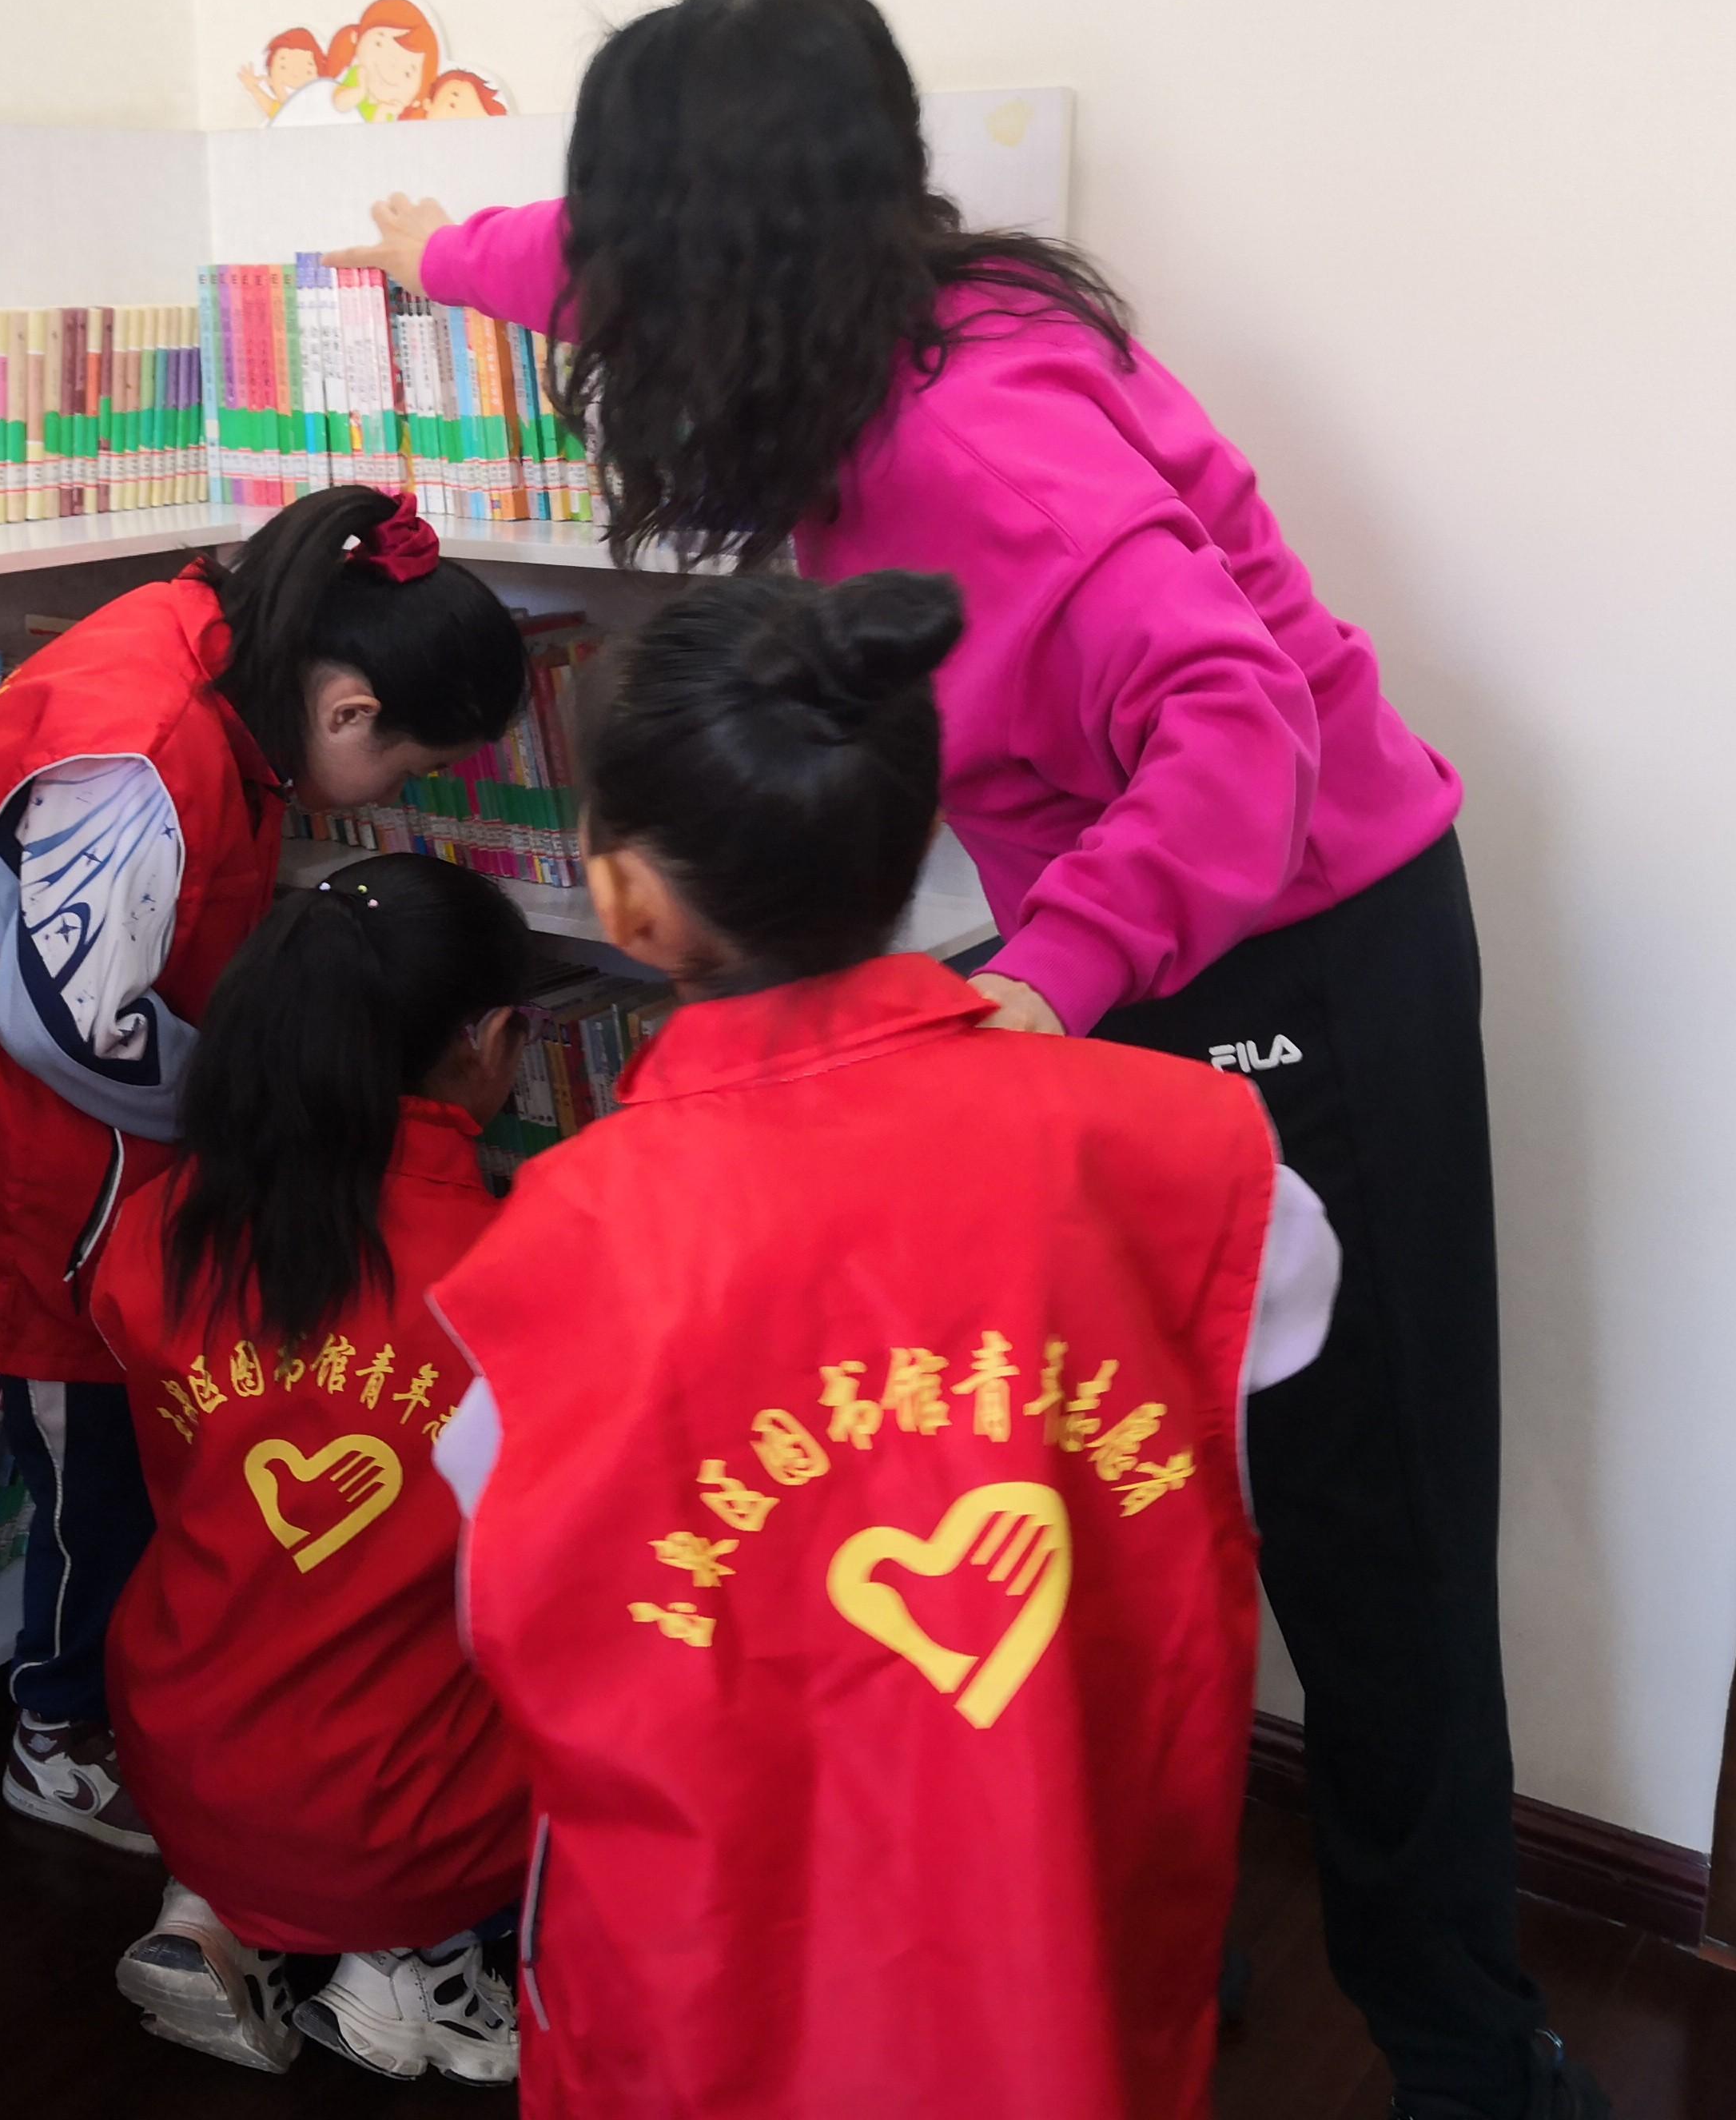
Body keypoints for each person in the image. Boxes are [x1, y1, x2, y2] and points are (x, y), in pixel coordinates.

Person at [332, 0, 1606, 2120]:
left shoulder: (971, 434)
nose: (599, 286)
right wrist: (431, 251)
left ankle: (1474, 2059)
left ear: (726, 257)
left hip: (1302, 939)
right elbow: (577, 254)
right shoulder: (848, 295)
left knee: (1369, 1543)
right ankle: (1129, 1930)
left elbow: (1242, 726)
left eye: (625, 242)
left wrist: (1053, 978)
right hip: (1125, 927)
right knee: (1077, 1478)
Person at [426, 570, 1334, 2119]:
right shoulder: (1210, 1163)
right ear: (922, 841)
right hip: (1067, 1978)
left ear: (626, 903)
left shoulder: (540, 1273)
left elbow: (500, 1612)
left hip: (720, 2011)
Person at [0, 486, 527, 1851]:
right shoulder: (137, 747)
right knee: (96, 1478)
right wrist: (268, 1102)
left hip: (90, 1158)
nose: (398, 799)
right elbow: (66, 1024)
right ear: (349, 709)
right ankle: (58, 1735)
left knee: (117, 1457)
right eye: (411, 769)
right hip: (33, 1180)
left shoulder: (203, 639)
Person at [93, 855, 537, 2083]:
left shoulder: (156, 1232)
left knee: (291, 1626)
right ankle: (420, 1967)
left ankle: (218, 1910)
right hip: (405, 1807)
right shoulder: (513, 1277)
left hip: (182, 1751)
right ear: (486, 1040)